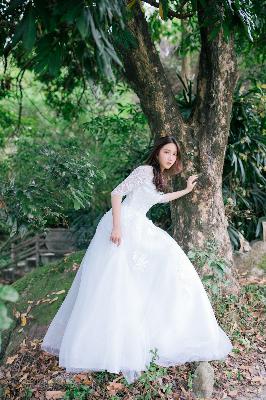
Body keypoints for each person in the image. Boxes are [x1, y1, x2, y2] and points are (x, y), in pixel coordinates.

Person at [41, 135, 233, 384]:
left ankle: (155, 332)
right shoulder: (144, 171)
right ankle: (103, 346)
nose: (170, 157)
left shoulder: (160, 178)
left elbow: (159, 199)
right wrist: (117, 227)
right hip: (124, 224)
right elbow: (116, 193)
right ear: (157, 153)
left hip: (140, 225)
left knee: (166, 264)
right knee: (115, 281)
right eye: (166, 152)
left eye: (174, 154)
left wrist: (186, 190)